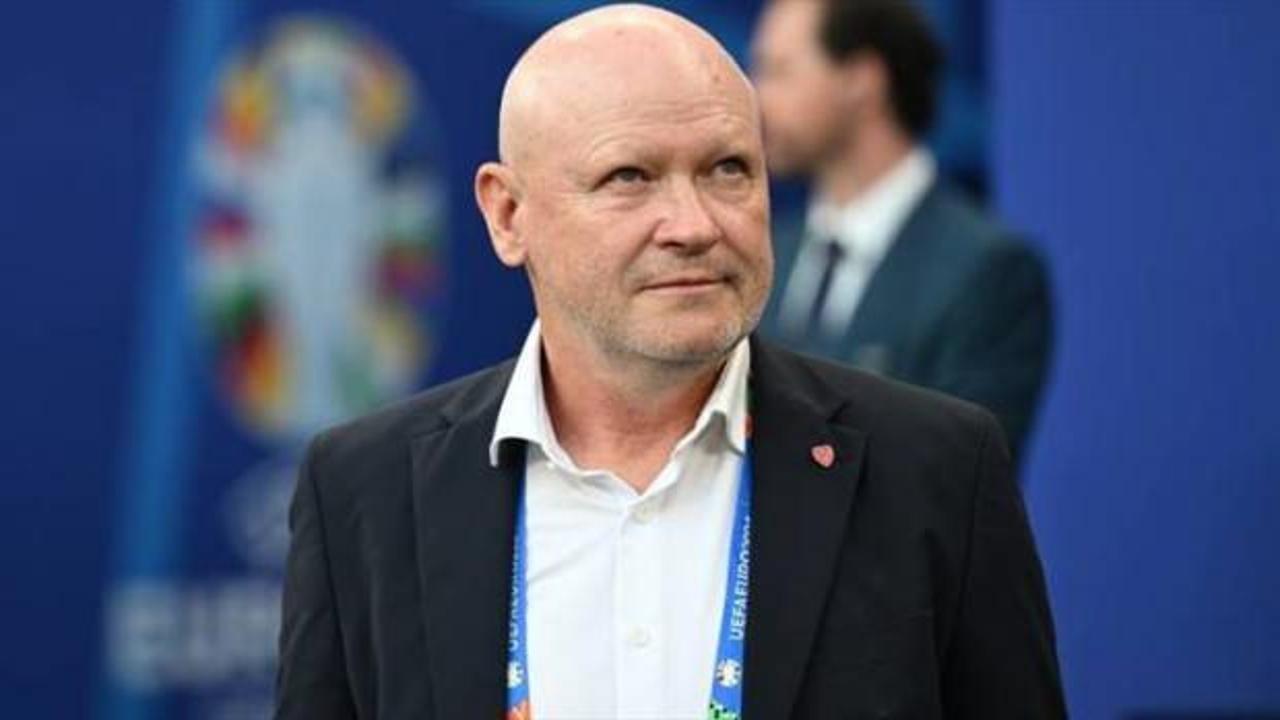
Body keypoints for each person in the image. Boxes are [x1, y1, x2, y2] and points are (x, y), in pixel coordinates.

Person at [275, 4, 1065, 718]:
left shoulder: (936, 471)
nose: (694, 225)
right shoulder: (365, 492)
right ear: (508, 214)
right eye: (631, 176)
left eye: (729, 170)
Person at [752, 0, 1053, 461]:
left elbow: (959, 472)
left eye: (779, 71)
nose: (756, 99)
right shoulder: (764, 253)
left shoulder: (989, 271)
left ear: (862, 80)